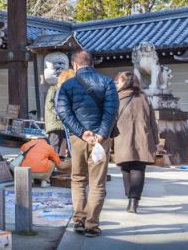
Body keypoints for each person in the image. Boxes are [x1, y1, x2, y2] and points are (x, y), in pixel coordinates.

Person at [56, 50, 119, 238]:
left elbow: (63, 112)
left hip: (78, 138)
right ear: (92, 64)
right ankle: (92, 224)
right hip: (101, 139)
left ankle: (79, 220)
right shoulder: (107, 82)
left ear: (75, 65)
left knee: (78, 179)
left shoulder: (67, 85)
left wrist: (82, 133)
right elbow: (112, 110)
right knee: (98, 183)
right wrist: (101, 134)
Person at [112, 71, 161, 214]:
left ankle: (130, 197)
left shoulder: (117, 98)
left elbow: (111, 119)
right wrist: (156, 140)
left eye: (119, 81)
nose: (117, 84)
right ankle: (133, 201)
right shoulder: (144, 98)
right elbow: (152, 120)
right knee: (138, 169)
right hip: (143, 138)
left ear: (125, 82)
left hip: (122, 139)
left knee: (126, 168)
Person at [46, 68, 74, 158]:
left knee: (65, 145)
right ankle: (50, 167)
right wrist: (61, 113)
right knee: (54, 145)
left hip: (63, 123)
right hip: (55, 123)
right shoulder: (53, 89)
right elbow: (49, 105)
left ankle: (61, 165)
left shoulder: (63, 91)